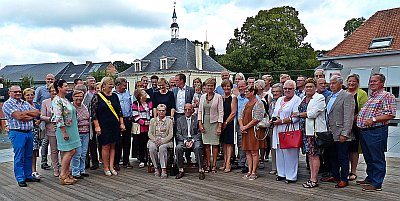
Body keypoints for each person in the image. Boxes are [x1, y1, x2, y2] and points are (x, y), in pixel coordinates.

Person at [356, 73, 396, 192]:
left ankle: (377, 183)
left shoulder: (387, 96)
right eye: (371, 81)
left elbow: (390, 114)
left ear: (382, 83)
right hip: (365, 131)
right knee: (369, 157)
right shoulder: (372, 97)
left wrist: (373, 120)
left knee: (376, 157)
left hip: (376, 131)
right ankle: (371, 178)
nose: (371, 83)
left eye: (375, 81)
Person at [3, 85, 41, 187]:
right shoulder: (7, 104)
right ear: (9, 93)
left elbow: (37, 112)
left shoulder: (24, 103)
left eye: (19, 91)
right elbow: (19, 117)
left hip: (28, 132)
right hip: (17, 132)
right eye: (15, 92)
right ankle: (20, 178)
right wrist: (28, 115)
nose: (18, 93)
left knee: (29, 155)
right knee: (19, 156)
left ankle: (28, 175)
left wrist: (24, 114)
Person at [321, 75, 355, 188]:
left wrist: (345, 133)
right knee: (332, 156)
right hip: (330, 133)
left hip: (341, 132)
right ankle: (335, 175)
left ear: (340, 84)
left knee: (342, 157)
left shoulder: (347, 96)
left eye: (334, 83)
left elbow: (348, 117)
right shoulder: (329, 97)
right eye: (330, 83)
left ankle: (344, 178)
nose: (331, 85)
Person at [91, 77, 125, 176]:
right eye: (109, 84)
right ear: (104, 85)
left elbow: (119, 111)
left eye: (112, 84)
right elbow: (94, 113)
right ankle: (106, 167)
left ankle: (111, 166)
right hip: (103, 125)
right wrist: (97, 126)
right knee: (105, 146)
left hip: (114, 124)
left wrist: (121, 123)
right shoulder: (97, 96)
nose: (111, 86)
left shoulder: (115, 96)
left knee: (113, 145)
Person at [51, 79, 82, 185]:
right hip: (64, 129)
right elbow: (58, 118)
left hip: (71, 128)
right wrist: (64, 132)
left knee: (70, 151)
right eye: (65, 86)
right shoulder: (57, 100)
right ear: (59, 88)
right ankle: (63, 175)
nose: (67, 88)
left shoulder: (65, 99)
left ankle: (67, 173)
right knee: (70, 151)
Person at [298, 78, 327, 188]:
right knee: (309, 155)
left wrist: (299, 114)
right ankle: (311, 177)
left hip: (314, 131)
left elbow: (313, 113)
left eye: (311, 86)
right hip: (304, 131)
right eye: (307, 86)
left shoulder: (319, 98)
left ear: (315, 88)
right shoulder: (303, 98)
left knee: (314, 155)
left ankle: (314, 179)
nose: (308, 88)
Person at [272, 80, 301, 183]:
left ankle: (291, 176)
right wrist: (274, 119)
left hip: (289, 129)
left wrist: (282, 121)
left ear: (294, 89)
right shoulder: (279, 99)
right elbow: (276, 111)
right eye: (285, 88)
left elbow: (296, 116)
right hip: (278, 129)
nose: (287, 90)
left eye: (290, 88)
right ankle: (281, 173)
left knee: (290, 153)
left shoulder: (297, 100)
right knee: (280, 152)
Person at [239, 85, 265, 180]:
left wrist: (246, 126)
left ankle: (254, 171)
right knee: (247, 151)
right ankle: (249, 170)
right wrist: (242, 126)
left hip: (254, 131)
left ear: (252, 92)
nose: (245, 93)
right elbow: (240, 116)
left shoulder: (259, 103)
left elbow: (258, 118)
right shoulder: (245, 104)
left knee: (254, 151)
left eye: (247, 91)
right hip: (245, 131)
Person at [198, 78, 223, 173]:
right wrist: (200, 123)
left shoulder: (218, 97)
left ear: (214, 86)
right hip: (205, 122)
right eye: (208, 85)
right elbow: (200, 111)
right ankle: (208, 164)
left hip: (215, 122)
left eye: (211, 86)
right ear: (205, 86)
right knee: (206, 144)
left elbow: (221, 112)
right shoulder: (202, 97)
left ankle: (214, 164)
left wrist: (219, 126)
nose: (209, 87)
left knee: (215, 144)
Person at [346, 74, 368, 182]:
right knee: (344, 149)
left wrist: (352, 120)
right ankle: (344, 170)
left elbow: (363, 110)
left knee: (354, 149)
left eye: (353, 81)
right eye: (349, 81)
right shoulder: (344, 93)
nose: (351, 83)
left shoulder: (362, 93)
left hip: (355, 125)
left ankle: (353, 171)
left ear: (357, 83)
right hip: (344, 126)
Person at [175, 103, 205, 180]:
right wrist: (185, 141)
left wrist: (192, 140)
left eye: (189, 109)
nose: (187, 111)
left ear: (192, 110)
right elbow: (178, 134)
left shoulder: (196, 119)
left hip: (194, 139)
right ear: (183, 110)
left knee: (198, 147)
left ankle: (201, 169)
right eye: (186, 109)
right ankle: (180, 169)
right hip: (183, 140)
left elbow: (199, 133)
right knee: (178, 148)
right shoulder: (179, 120)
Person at [33, 73, 55, 170]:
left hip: (55, 121)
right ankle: (44, 161)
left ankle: (55, 162)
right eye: (48, 79)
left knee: (55, 142)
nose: (50, 80)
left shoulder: (56, 89)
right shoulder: (40, 89)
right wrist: (40, 112)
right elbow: (35, 101)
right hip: (45, 119)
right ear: (45, 80)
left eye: (51, 79)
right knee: (45, 141)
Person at [148, 104, 174, 178]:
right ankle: (156, 168)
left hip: (166, 140)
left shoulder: (169, 121)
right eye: (159, 110)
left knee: (162, 148)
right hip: (155, 140)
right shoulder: (153, 120)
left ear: (165, 111)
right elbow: (150, 133)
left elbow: (170, 135)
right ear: (157, 111)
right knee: (152, 147)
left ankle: (163, 169)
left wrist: (162, 141)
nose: (161, 112)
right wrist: (155, 140)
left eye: (163, 110)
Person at [114, 77, 133, 170]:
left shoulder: (127, 93)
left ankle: (126, 161)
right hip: (117, 121)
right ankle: (116, 162)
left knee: (127, 141)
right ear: (118, 85)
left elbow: (130, 104)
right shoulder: (113, 94)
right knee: (118, 142)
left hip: (127, 119)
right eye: (124, 86)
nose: (125, 87)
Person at [70, 90, 90, 179]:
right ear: (73, 97)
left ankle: (82, 170)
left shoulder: (84, 106)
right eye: (77, 96)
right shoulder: (70, 107)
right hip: (76, 133)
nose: (79, 98)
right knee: (77, 154)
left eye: (81, 96)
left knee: (84, 153)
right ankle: (75, 171)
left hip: (86, 132)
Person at [40, 85, 60, 177]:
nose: (54, 92)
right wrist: (50, 119)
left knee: (63, 150)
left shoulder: (62, 101)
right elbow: (42, 116)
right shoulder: (45, 102)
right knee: (54, 150)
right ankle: (55, 168)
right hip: (51, 129)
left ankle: (64, 168)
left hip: (61, 128)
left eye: (55, 90)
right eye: (52, 91)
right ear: (49, 92)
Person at [23, 88, 42, 180]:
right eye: (27, 95)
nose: (30, 96)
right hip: (28, 129)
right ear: (24, 96)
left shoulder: (37, 105)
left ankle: (34, 170)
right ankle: (28, 170)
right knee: (28, 150)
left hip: (36, 130)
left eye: (31, 94)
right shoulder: (23, 105)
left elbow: (39, 115)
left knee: (35, 151)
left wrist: (39, 121)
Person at [220, 80, 237, 173]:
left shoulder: (233, 98)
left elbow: (233, 112)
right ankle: (225, 161)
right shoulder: (222, 98)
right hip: (222, 122)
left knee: (229, 143)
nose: (226, 88)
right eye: (224, 86)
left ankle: (228, 163)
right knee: (224, 143)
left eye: (228, 86)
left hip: (229, 123)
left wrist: (226, 122)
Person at [133, 88, 153, 168]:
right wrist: (144, 122)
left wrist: (151, 121)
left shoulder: (149, 102)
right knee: (141, 144)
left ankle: (150, 160)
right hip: (141, 127)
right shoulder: (135, 104)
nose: (146, 94)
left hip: (150, 127)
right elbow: (135, 116)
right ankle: (142, 160)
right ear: (140, 96)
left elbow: (152, 113)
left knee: (149, 144)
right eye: (144, 93)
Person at [83, 76, 100, 170]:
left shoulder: (99, 94)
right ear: (87, 83)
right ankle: (93, 161)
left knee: (100, 142)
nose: (93, 82)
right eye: (91, 81)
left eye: (94, 81)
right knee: (91, 142)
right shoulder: (86, 95)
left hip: (99, 120)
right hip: (90, 121)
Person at [267, 83, 283, 175]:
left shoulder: (284, 101)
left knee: (281, 148)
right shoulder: (272, 102)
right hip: (273, 127)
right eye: (273, 92)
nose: (275, 93)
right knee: (273, 147)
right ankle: (274, 167)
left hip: (282, 126)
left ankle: (281, 168)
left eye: (277, 91)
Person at [235, 80, 249, 172]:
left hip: (249, 123)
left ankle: (248, 164)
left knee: (248, 144)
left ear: (246, 86)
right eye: (239, 87)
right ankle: (241, 162)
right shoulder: (237, 98)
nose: (240, 88)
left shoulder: (250, 97)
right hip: (238, 123)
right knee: (240, 143)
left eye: (242, 86)